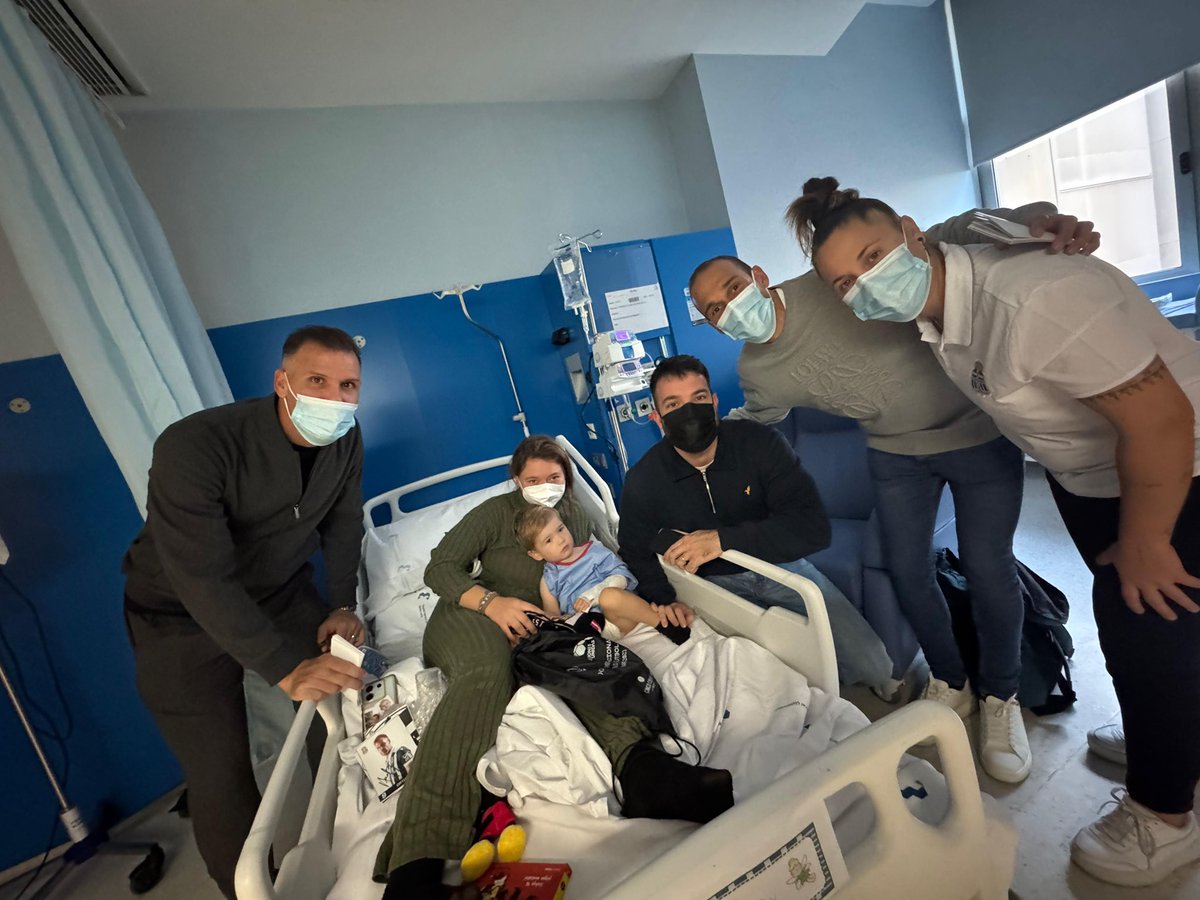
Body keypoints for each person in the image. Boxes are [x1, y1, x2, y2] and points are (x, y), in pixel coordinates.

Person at [793, 176, 1200, 887]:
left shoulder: (1032, 300)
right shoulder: (946, 289)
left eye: (874, 257)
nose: (865, 284)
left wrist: (1147, 539)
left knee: (1145, 629)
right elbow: (1001, 222)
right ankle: (1169, 744)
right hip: (1089, 475)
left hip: (1174, 466)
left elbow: (1162, 421)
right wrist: (1041, 218)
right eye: (843, 282)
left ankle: (1164, 815)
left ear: (913, 234)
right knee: (1155, 638)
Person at [690, 204, 1100, 781]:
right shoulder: (757, 367)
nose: (729, 308)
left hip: (976, 434)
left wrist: (1023, 221)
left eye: (732, 289)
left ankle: (1000, 698)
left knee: (988, 568)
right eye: (714, 309)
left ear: (757, 276)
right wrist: (701, 435)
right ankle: (951, 679)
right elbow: (760, 414)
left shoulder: (828, 283)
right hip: (896, 453)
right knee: (909, 569)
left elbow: (932, 241)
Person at [376, 435, 730, 898]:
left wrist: (660, 603)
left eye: (555, 479)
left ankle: (643, 771)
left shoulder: (576, 515)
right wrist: (492, 602)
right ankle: (417, 862)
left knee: (580, 662)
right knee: (488, 674)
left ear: (567, 479)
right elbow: (439, 569)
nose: (545, 488)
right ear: (516, 481)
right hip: (474, 614)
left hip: (544, 624)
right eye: (533, 480)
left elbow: (607, 566)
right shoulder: (494, 514)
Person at [121, 325, 370, 899]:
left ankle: (344, 836)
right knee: (219, 768)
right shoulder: (195, 446)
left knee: (338, 693)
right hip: (176, 614)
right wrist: (285, 668)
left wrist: (339, 602)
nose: (335, 398)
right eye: (317, 381)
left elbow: (343, 520)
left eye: (348, 385)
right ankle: (247, 889)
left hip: (279, 589)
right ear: (282, 382)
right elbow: (202, 577)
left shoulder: (346, 441)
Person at [618, 355, 895, 692]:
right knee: (764, 682)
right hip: (711, 586)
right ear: (658, 419)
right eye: (674, 404)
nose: (689, 412)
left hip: (778, 566)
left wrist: (723, 540)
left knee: (874, 664)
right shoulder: (645, 479)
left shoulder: (759, 444)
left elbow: (812, 528)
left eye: (699, 398)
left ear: (715, 402)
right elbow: (634, 547)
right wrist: (664, 597)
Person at [516, 505, 689, 640]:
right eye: (548, 540)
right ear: (536, 554)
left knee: (609, 597)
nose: (560, 539)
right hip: (592, 630)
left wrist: (593, 595)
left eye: (560, 529)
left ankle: (666, 626)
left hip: (620, 614)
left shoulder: (594, 552)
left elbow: (622, 578)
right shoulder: (548, 581)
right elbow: (553, 618)